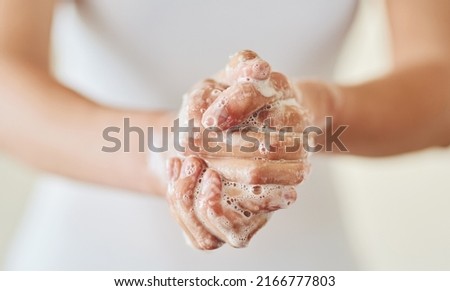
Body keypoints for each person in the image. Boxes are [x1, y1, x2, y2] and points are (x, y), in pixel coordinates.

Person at [1, 0, 449, 270]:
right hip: (86, 259)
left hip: (305, 263)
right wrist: (163, 152)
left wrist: (313, 113)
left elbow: (439, 84)